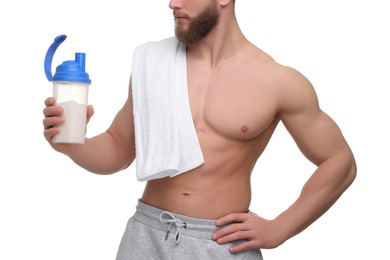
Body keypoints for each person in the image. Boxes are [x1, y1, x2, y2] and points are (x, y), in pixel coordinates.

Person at [43, 0, 357, 259]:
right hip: (146, 235)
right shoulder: (153, 63)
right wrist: (73, 143)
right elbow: (118, 149)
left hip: (221, 244)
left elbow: (339, 161)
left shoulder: (277, 81)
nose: (172, 4)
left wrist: (281, 227)